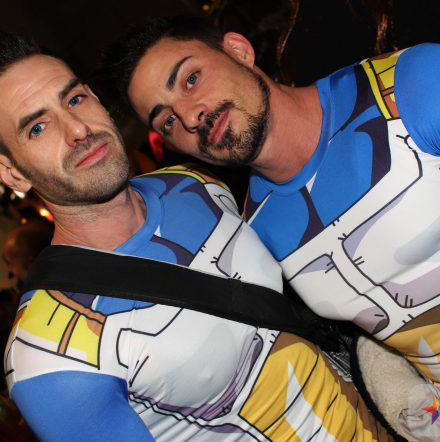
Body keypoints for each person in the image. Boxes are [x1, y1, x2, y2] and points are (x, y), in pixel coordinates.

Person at [0, 34, 395, 442]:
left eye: (75, 99)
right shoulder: (46, 357)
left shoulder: (193, 182)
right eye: (37, 128)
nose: (78, 129)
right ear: (12, 172)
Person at [100, 15, 440, 440]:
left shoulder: (411, 87)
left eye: (191, 79)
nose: (191, 116)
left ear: (238, 50)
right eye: (167, 122)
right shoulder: (255, 230)